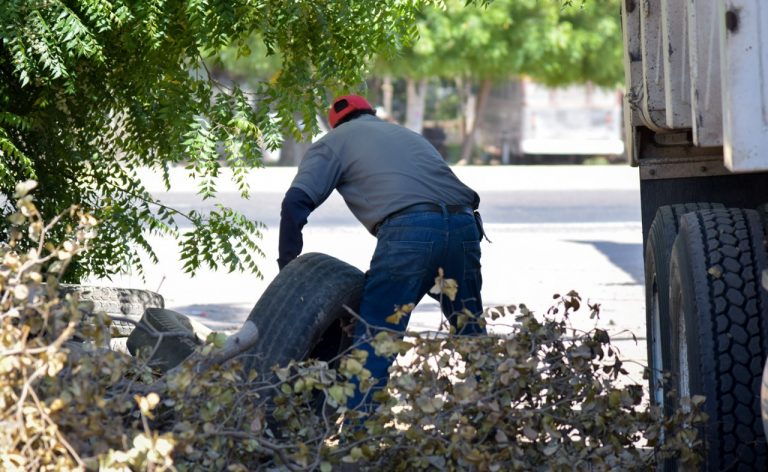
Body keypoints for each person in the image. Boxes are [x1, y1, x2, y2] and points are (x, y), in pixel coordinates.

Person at [278, 94, 487, 416]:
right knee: (471, 331)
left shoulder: (333, 142)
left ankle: (358, 437)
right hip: (464, 225)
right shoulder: (407, 135)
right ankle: (495, 417)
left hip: (409, 230)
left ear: (334, 124)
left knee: (376, 341)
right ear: (371, 113)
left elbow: (295, 203)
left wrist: (287, 270)